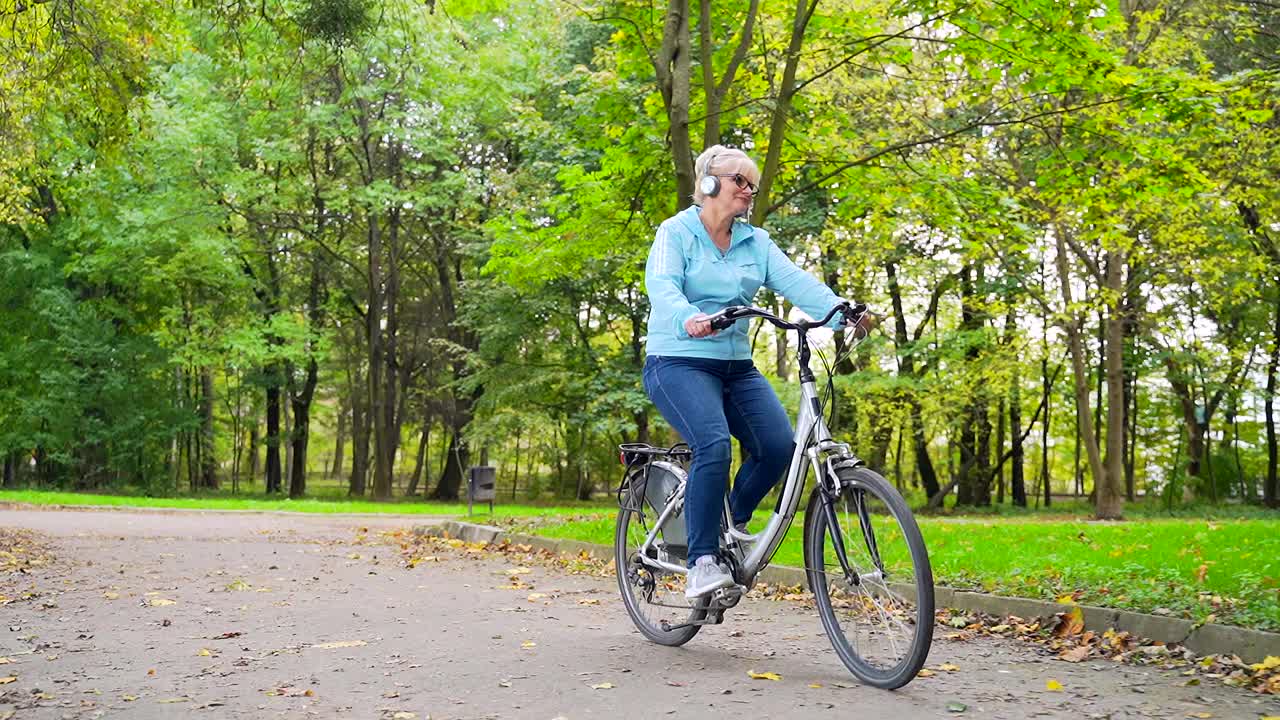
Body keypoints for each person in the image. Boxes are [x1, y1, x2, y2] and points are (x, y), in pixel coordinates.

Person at [642, 145, 872, 598]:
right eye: (739, 181)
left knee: (778, 447)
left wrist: (840, 311)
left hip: (735, 366)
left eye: (753, 184)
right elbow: (662, 285)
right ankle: (702, 560)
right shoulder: (676, 232)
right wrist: (689, 316)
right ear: (708, 183)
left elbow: (795, 281)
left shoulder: (755, 241)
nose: (749, 190)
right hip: (678, 360)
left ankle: (727, 518)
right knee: (713, 445)